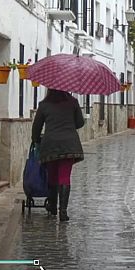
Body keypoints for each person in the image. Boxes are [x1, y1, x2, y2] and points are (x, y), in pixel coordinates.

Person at [31, 89, 85, 221]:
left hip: (50, 144)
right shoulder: (73, 102)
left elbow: (36, 126)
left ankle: (53, 206)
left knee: (52, 175)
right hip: (69, 144)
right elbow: (80, 122)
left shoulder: (44, 104)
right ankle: (63, 211)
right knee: (64, 176)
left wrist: (36, 139)